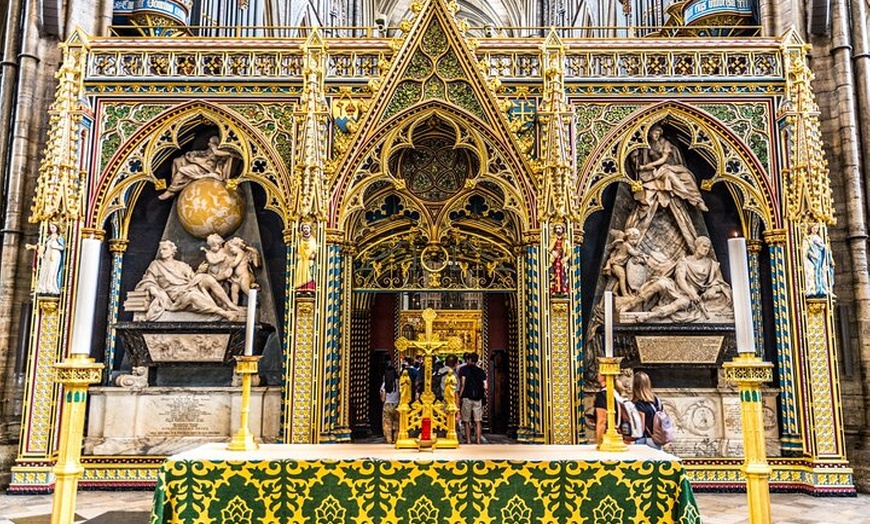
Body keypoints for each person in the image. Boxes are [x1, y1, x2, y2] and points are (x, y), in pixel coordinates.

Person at [627, 125, 708, 247]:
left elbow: (664, 159)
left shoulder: (665, 143)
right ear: (649, 133)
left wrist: (648, 165)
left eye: (659, 133)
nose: (657, 135)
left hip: (667, 167)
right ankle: (691, 198)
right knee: (669, 176)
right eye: (655, 133)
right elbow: (637, 163)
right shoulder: (644, 145)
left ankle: (696, 199)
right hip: (652, 173)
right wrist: (635, 155)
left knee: (687, 177)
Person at [626, 236, 732, 322]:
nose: (706, 249)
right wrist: (690, 292)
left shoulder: (711, 264)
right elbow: (680, 279)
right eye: (704, 246)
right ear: (697, 246)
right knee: (660, 283)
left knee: (683, 303)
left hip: (689, 297)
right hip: (678, 288)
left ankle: (649, 316)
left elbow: (719, 283)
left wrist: (713, 289)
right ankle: (632, 304)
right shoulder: (685, 261)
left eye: (708, 248)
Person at [134, 240, 242, 321]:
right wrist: (152, 288)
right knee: (193, 296)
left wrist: (199, 271)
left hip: (189, 287)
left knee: (207, 278)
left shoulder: (182, 265)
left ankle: (230, 304)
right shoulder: (156, 265)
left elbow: (192, 278)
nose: (162, 252)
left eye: (165, 249)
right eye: (161, 249)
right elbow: (146, 280)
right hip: (177, 294)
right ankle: (223, 313)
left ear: (173, 251)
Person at [158, 135, 238, 200]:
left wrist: (230, 153)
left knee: (182, 170)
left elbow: (218, 155)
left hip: (207, 167)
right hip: (200, 159)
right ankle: (175, 185)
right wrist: (194, 153)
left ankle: (171, 190)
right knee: (177, 161)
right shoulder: (215, 139)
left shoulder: (232, 149)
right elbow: (212, 151)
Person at [603, 227, 646, 296]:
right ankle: (624, 293)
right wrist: (641, 254)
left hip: (620, 264)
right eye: (632, 239)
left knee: (624, 277)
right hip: (616, 263)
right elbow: (633, 253)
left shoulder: (630, 246)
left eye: (636, 240)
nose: (634, 241)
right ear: (627, 237)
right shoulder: (626, 245)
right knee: (622, 276)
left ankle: (615, 290)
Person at [458, 353, 487, 444]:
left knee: (466, 421)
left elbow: (463, 383)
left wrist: (460, 396)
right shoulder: (481, 371)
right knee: (478, 420)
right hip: (478, 398)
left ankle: (469, 440)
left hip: (467, 397)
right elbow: (485, 386)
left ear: (469, 360)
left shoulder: (464, 370)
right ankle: (478, 440)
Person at [594, 373, 629, 444]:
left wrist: (599, 442)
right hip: (620, 435)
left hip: (608, 438)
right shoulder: (616, 393)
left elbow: (602, 421)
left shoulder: (603, 395)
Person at [632, 371, 663, 449]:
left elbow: (640, 428)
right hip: (658, 440)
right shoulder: (657, 400)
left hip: (645, 441)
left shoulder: (639, 404)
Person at [32, 223, 65, 295]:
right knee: (46, 270)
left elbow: (62, 248)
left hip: (55, 256)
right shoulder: (48, 238)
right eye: (51, 228)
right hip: (47, 256)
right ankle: (44, 286)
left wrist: (55, 247)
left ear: (57, 228)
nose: (52, 229)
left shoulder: (59, 238)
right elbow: (44, 247)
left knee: (52, 271)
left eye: (53, 227)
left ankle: (52, 286)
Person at [803, 223, 833, 297]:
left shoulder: (818, 238)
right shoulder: (808, 238)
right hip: (812, 258)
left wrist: (823, 247)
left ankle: (820, 288)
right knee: (812, 272)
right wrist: (812, 254)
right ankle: (812, 289)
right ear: (810, 229)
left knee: (820, 271)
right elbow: (806, 251)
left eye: (817, 229)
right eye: (814, 228)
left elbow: (823, 247)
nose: (815, 230)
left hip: (819, 257)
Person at [294, 222, 317, 293]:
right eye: (304, 228)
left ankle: (309, 289)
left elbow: (315, 250)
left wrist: (313, 255)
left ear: (310, 229)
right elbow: (296, 250)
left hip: (309, 260)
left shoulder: (313, 240)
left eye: (307, 228)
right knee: (300, 273)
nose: (305, 229)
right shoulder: (299, 240)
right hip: (302, 261)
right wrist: (298, 255)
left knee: (309, 273)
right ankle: (300, 288)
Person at [380, 361, 400, 444]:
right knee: (397, 423)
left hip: (388, 404)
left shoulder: (385, 384)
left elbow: (382, 398)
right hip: (397, 405)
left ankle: (389, 440)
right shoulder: (398, 383)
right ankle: (396, 439)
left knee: (387, 424)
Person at [549, 223, 570, 295]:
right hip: (554, 260)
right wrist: (552, 252)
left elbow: (569, 251)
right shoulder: (553, 240)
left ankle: (564, 289)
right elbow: (549, 249)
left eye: (559, 228)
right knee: (554, 274)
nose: (558, 230)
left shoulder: (566, 241)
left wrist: (566, 257)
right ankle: (553, 290)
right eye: (556, 229)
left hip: (562, 260)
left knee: (563, 274)